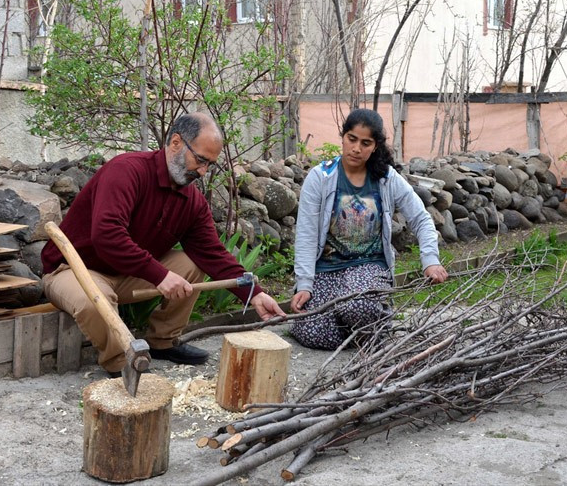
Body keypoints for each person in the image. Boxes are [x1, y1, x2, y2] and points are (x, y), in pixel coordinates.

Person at [41, 112, 285, 376]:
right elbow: (107, 235)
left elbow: (211, 254)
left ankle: (162, 342)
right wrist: (159, 275)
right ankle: (123, 362)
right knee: (92, 301)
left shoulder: (192, 202)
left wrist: (255, 293)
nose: (202, 172)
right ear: (176, 142)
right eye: (200, 160)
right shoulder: (126, 170)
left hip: (127, 274)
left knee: (192, 264)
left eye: (209, 165)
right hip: (73, 270)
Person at [290, 108, 448, 350]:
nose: (356, 148)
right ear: (342, 137)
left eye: (365, 143)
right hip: (327, 270)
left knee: (356, 304)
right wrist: (304, 284)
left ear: (375, 147)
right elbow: (306, 234)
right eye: (352, 139)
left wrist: (430, 259)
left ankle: (366, 319)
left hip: (368, 268)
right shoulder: (321, 177)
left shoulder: (386, 179)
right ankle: (362, 330)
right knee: (312, 332)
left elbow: (421, 218)